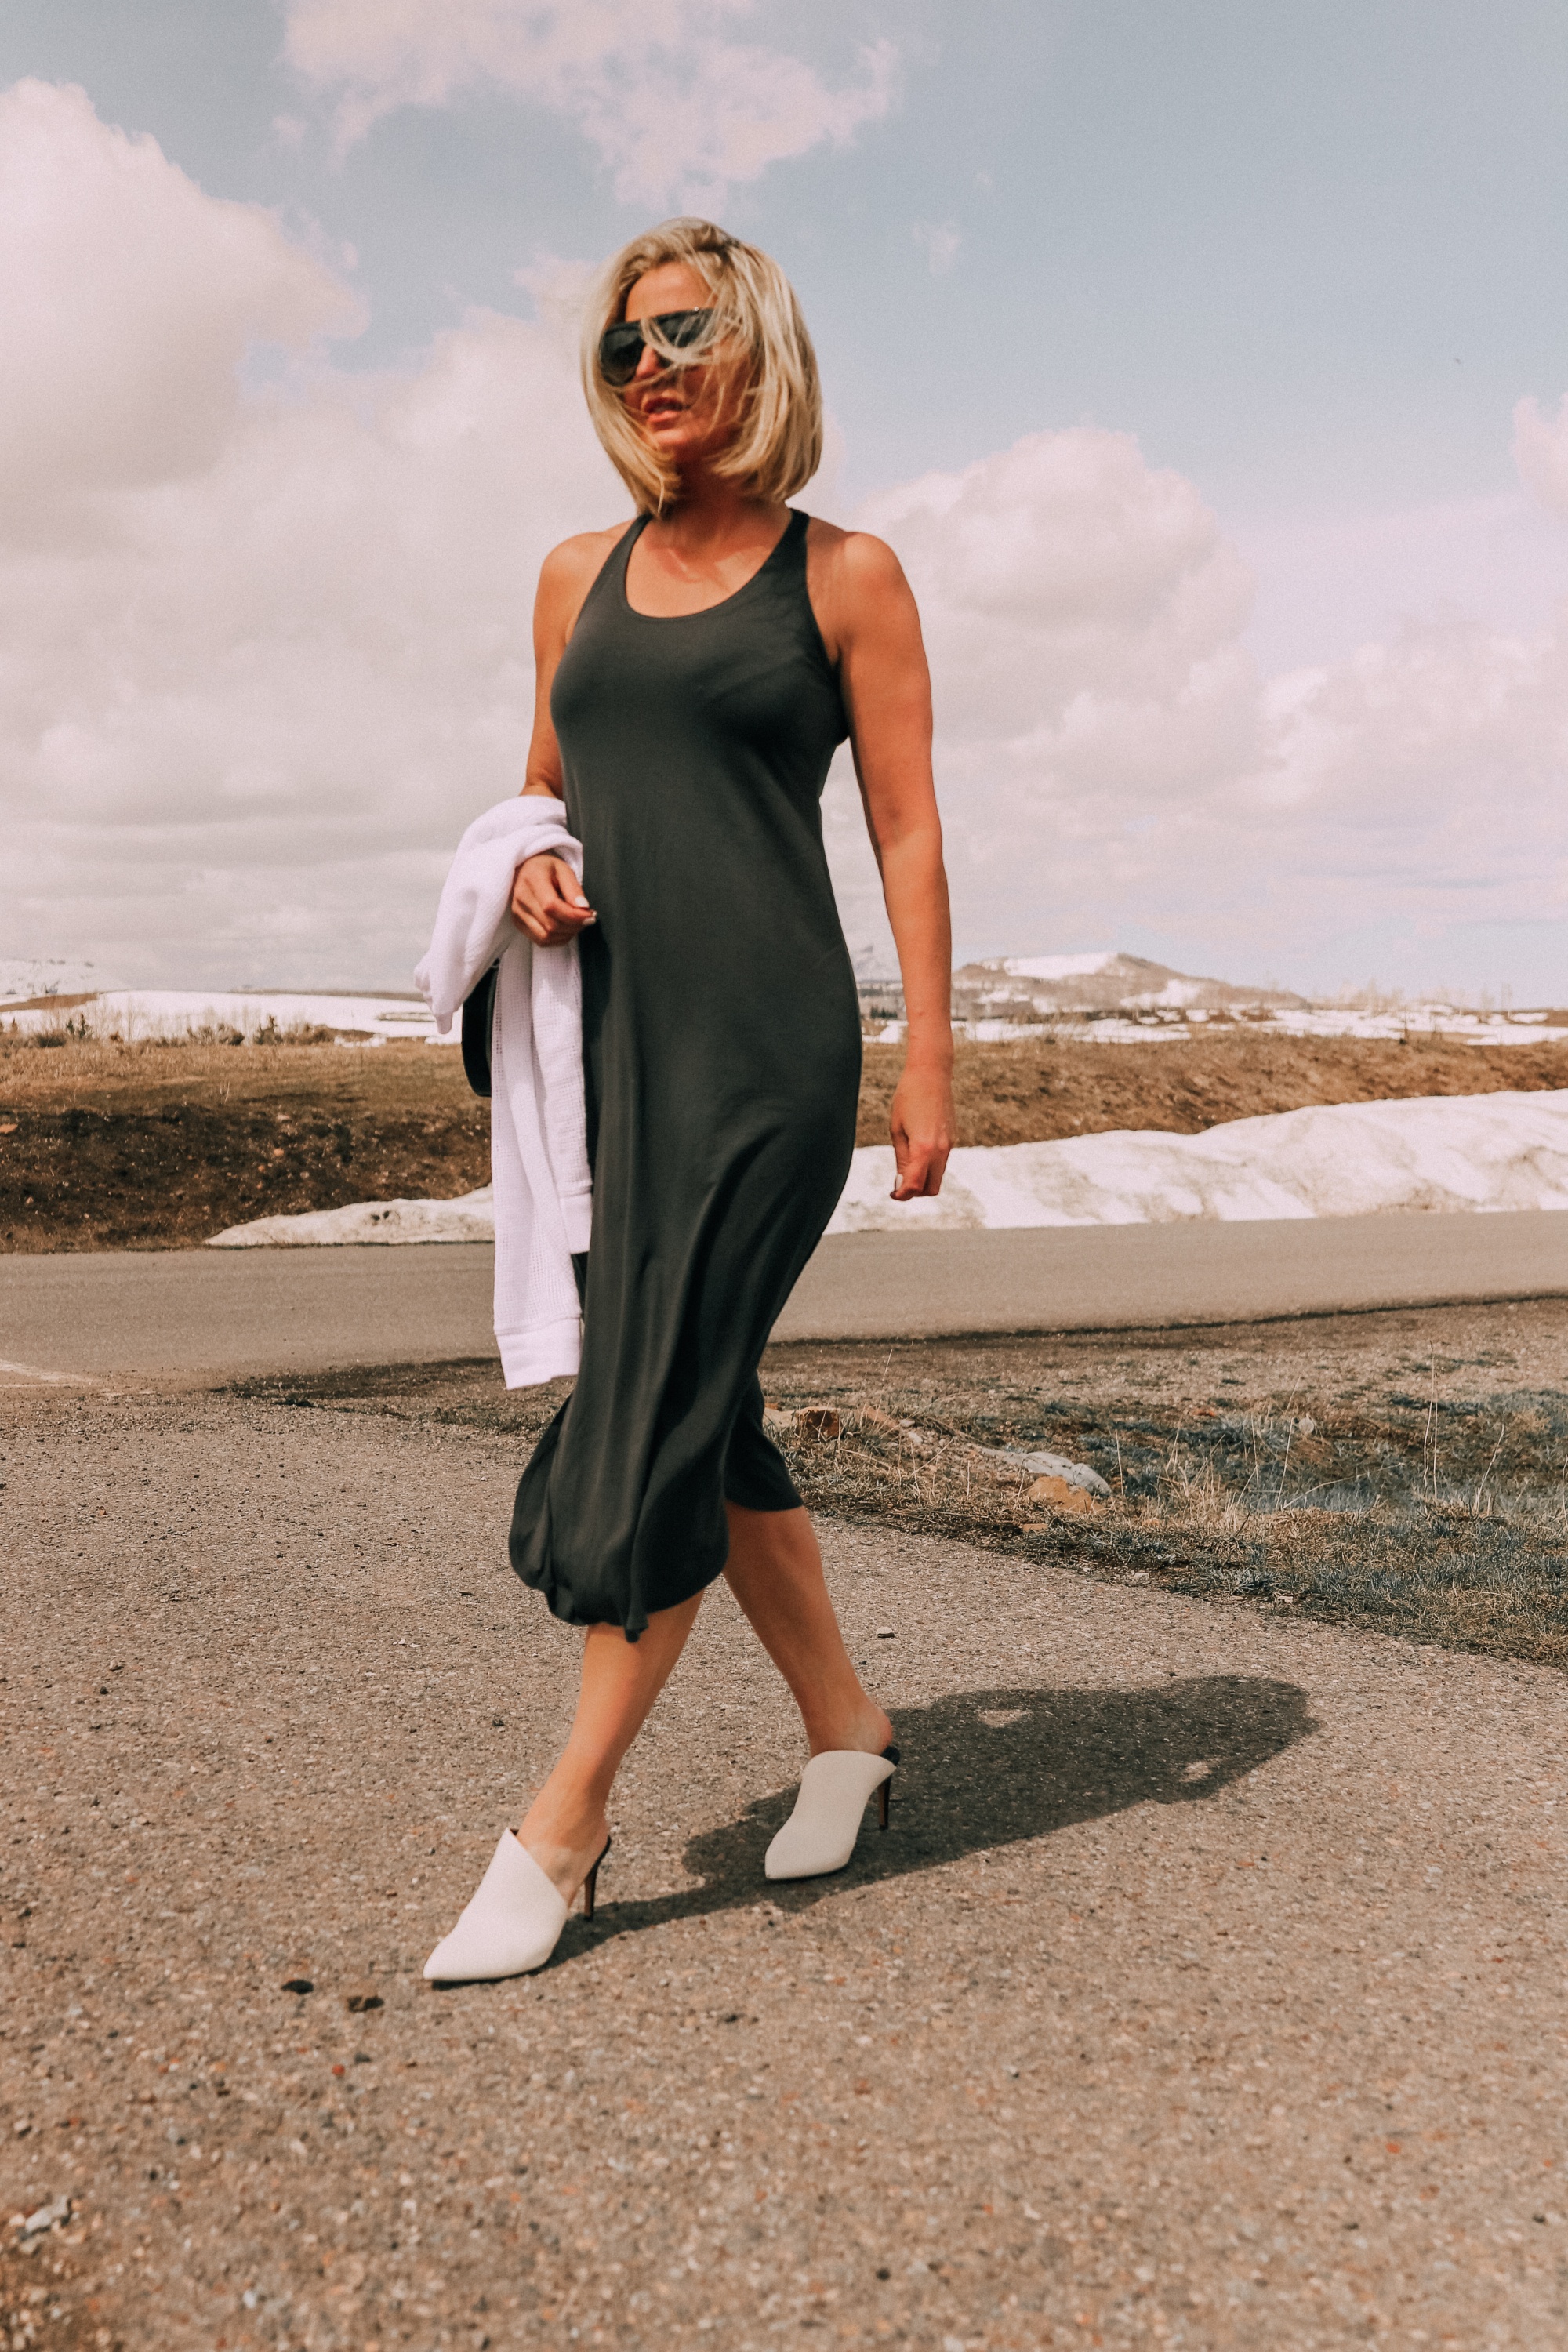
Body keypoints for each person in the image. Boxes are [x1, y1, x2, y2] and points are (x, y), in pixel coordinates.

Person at [424, 218, 953, 1984]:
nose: (653, 365)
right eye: (624, 345)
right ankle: (848, 1732)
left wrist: (928, 1060)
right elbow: (539, 788)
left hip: (766, 1056)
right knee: (705, 1412)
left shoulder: (846, 575)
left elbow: (902, 826)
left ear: (760, 353)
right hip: (612, 1056)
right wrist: (525, 870)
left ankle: (560, 1826)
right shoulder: (571, 575)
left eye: (688, 333)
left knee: (652, 1410)